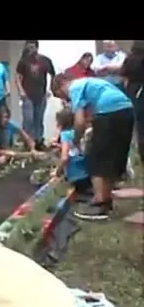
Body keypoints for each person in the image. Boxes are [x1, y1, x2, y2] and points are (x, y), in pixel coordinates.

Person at [51, 73, 134, 221]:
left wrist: (76, 141)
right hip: (126, 108)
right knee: (112, 156)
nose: (65, 99)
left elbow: (80, 122)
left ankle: (99, 205)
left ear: (62, 85)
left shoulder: (75, 87)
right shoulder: (89, 83)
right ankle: (107, 201)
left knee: (95, 157)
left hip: (109, 112)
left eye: (61, 95)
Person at [16, 41, 56, 150]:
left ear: (37, 47)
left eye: (33, 46)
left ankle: (38, 141)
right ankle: (27, 142)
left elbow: (53, 75)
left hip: (41, 94)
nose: (31, 48)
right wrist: (21, 91)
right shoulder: (23, 61)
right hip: (28, 95)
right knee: (28, 119)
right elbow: (18, 77)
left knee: (39, 119)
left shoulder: (45, 60)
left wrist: (50, 89)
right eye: (29, 46)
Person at [51, 108, 92, 198]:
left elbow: (65, 158)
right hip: (88, 174)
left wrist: (57, 172)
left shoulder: (65, 135)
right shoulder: (79, 132)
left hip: (76, 176)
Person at [121, 41, 144, 162]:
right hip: (139, 89)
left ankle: (142, 154)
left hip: (134, 91)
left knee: (139, 125)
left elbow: (124, 77)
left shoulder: (129, 59)